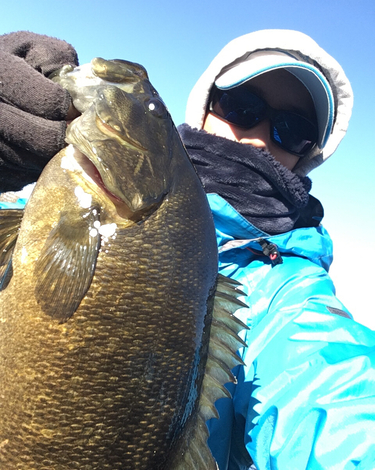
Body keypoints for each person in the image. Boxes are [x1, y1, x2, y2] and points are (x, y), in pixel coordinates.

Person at [1, 30, 374, 469]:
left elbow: (334, 395)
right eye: (243, 107)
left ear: (306, 154)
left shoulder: (287, 291)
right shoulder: (48, 194)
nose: (258, 137)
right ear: (204, 108)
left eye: (292, 130)